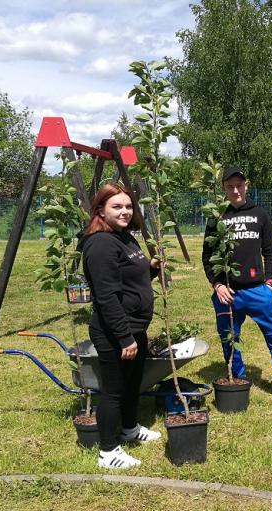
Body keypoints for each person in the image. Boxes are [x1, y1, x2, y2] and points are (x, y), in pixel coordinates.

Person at [201, 166, 272, 404]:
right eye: (230, 186)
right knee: (229, 338)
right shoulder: (217, 217)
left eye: (239, 185)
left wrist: (269, 280)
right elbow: (207, 255)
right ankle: (239, 380)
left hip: (257, 291)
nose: (235, 190)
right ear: (223, 188)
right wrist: (217, 285)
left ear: (247, 185)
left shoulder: (259, 214)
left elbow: (270, 250)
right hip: (228, 293)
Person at [80, 182, 163, 470]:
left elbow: (131, 282)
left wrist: (151, 269)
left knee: (132, 384)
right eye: (117, 206)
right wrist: (125, 337)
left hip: (134, 327)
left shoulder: (124, 238)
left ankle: (129, 428)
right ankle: (107, 452)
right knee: (114, 391)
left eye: (128, 206)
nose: (125, 211)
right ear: (100, 210)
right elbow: (106, 297)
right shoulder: (101, 244)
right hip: (114, 331)